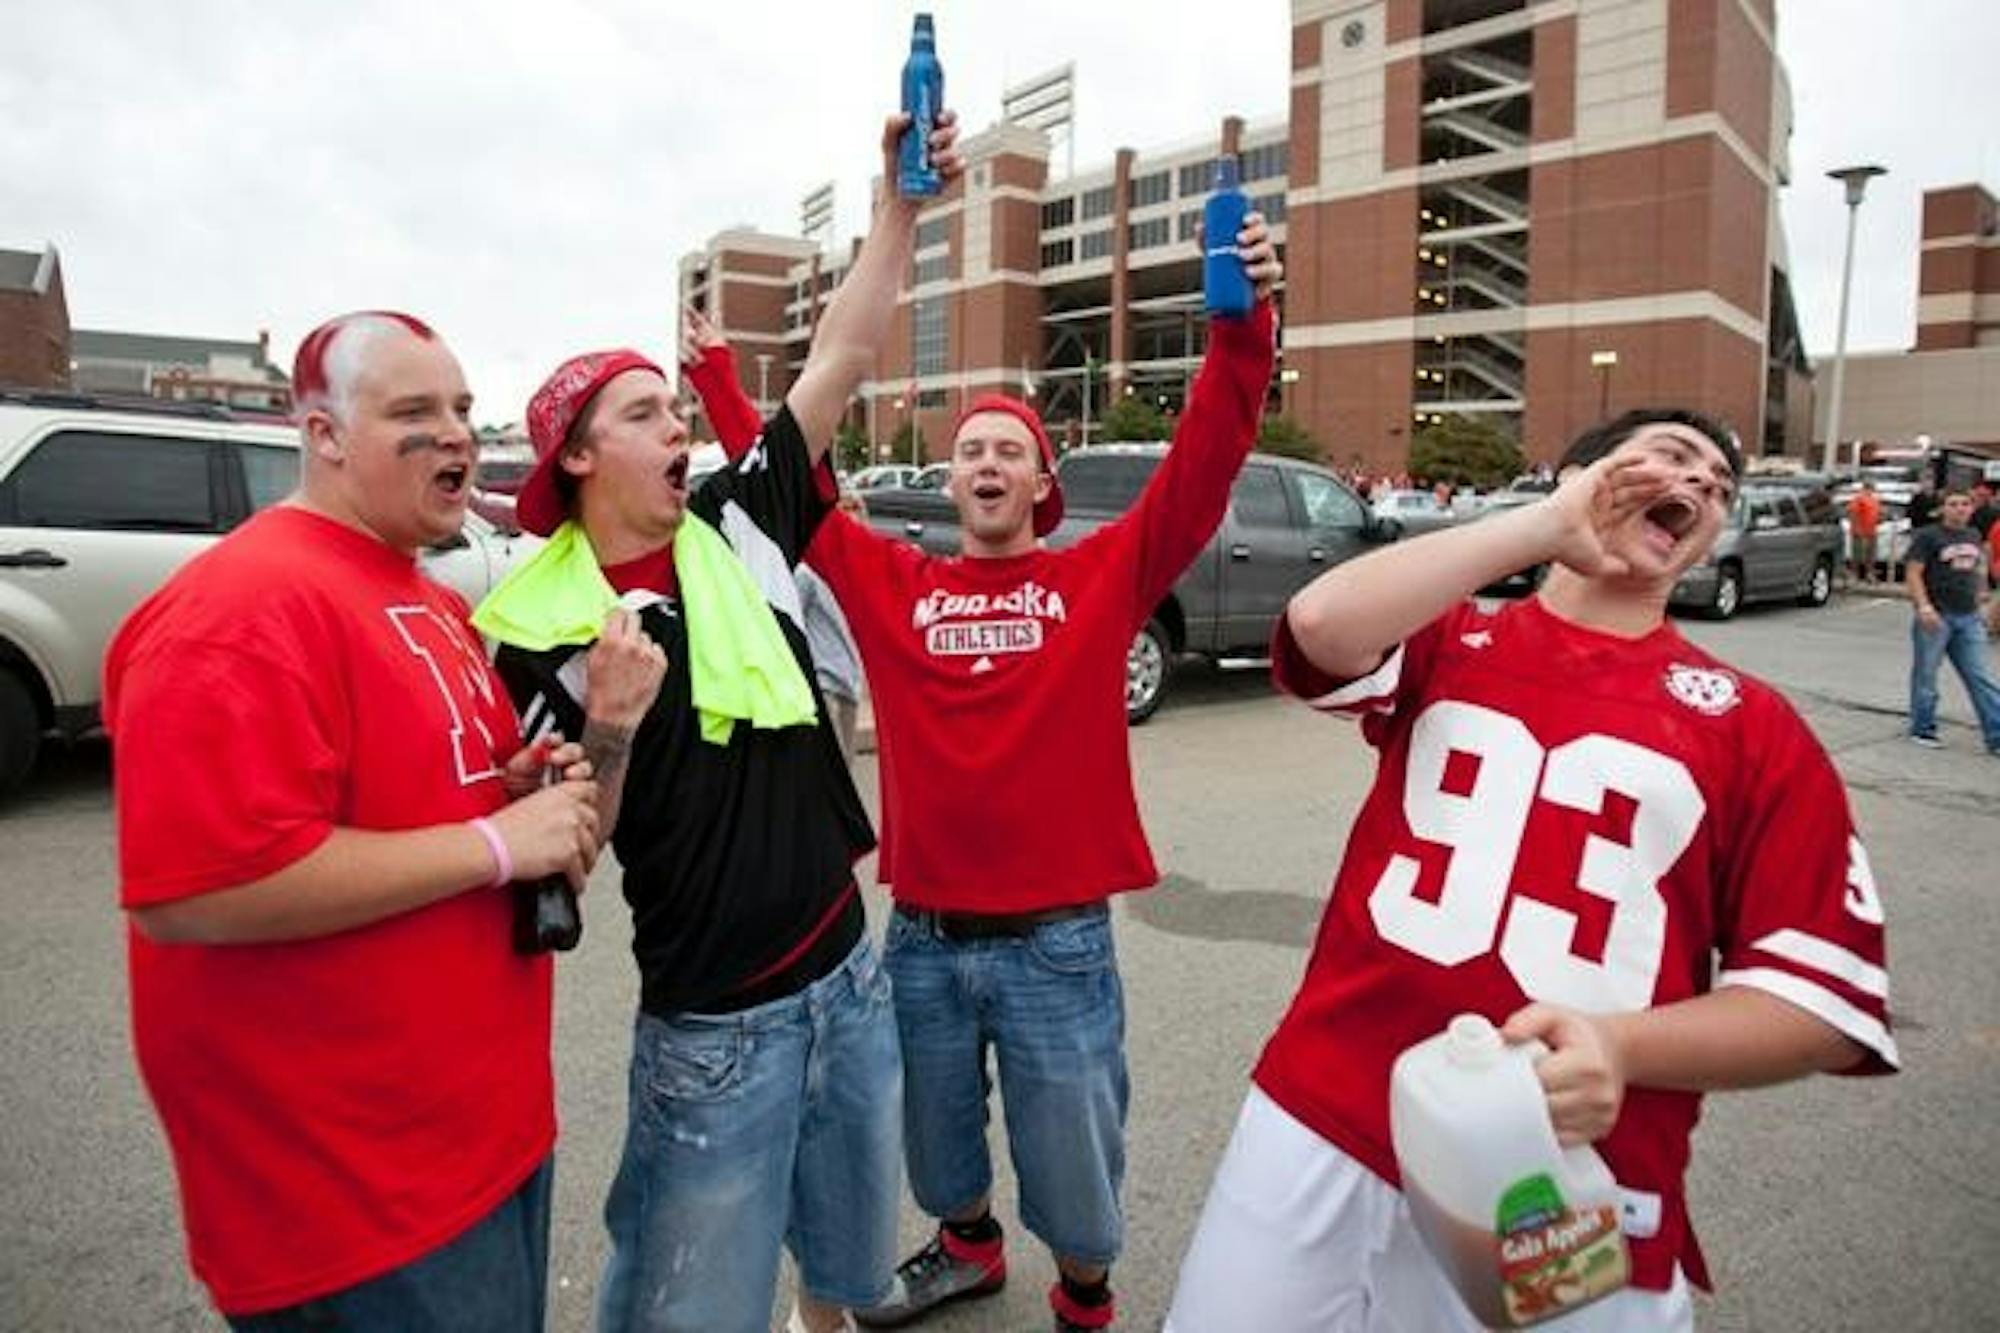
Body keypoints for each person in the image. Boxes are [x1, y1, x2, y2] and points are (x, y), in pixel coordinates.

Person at [1165, 409, 1899, 1333]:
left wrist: (1624, 1048)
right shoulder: (1453, 641)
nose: (1704, 484)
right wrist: (1543, 526)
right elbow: (1318, 624)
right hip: (1325, 1107)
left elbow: (1821, 1004)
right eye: (1672, 457)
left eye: (1720, 484)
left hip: (1562, 1165)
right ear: (1581, 480)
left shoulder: (1753, 726)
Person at [476, 110, 963, 1333]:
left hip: (847, 974)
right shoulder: (538, 628)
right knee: (684, 1312)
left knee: (844, 1277)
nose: (677, 426)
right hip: (714, 1027)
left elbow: (841, 357)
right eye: (643, 415)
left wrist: (896, 202)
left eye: (671, 409)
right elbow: (565, 857)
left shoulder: (738, 524)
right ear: (577, 459)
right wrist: (611, 722)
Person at [795, 217, 1282, 1333]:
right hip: (920, 932)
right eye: (969, 449)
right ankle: (968, 1247)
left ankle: (1084, 1294)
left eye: (1008, 449)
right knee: (935, 1138)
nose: (984, 462)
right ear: (949, 476)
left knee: (1072, 1155)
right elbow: (797, 477)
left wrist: (1244, 325)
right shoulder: (895, 583)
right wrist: (724, 380)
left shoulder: (1099, 578)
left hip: (1056, 941)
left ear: (1040, 484)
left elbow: (1204, 457)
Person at [104, 310, 635, 1331]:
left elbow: (423, 807)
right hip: (355, 1199)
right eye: (413, 411)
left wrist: (512, 787)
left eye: (463, 408)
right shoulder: (242, 609)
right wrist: (491, 844)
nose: (457, 434)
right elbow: (196, 891)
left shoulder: (425, 600)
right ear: (324, 435)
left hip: (480, 1146)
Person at [680, 305, 869, 761]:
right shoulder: (836, 559)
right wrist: (716, 377)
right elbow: (766, 465)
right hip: (816, 696)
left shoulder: (895, 576)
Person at [1903, 486, 2000, 754]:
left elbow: (1978, 564)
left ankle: (1996, 735)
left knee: (1979, 676)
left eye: (1965, 504)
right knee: (1926, 676)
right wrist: (1923, 607)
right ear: (1943, 509)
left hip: (1968, 617)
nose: (1960, 508)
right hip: (1936, 616)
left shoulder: (1973, 534)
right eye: (1954, 504)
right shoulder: (1928, 536)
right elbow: (1913, 573)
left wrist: (1981, 590)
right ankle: (1923, 728)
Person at [1846, 478, 1882, 583]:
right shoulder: (1859, 499)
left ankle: (1869, 574)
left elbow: (1877, 514)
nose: (1872, 490)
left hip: (1871, 531)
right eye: (1870, 488)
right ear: (1865, 488)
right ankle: (1854, 575)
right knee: (1857, 554)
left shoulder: (1874, 500)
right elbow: (1853, 513)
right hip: (1859, 531)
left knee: (1870, 555)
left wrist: (1880, 519)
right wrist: (1857, 528)